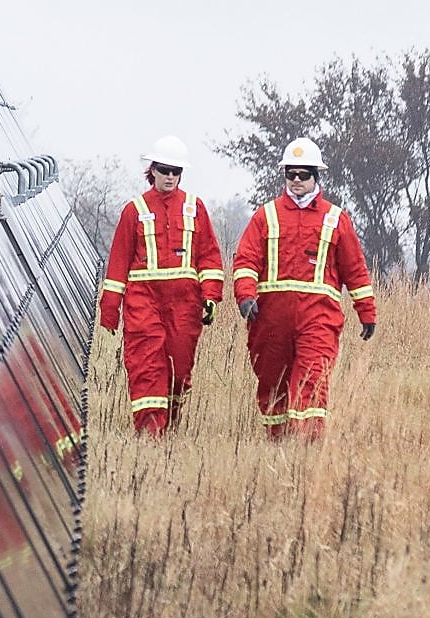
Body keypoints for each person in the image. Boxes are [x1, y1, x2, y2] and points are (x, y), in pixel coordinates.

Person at [231, 137, 377, 440]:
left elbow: (355, 270)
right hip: (270, 319)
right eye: (291, 174)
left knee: (312, 378)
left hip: (318, 318)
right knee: (272, 381)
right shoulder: (265, 216)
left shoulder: (336, 219)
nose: (297, 180)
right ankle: (279, 443)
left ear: (316, 177)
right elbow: (245, 259)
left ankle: (307, 444)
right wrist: (245, 296)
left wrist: (367, 312)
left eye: (304, 175)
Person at [98, 135, 225, 435]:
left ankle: (168, 421)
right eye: (165, 169)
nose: (170, 176)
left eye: (176, 171)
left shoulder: (196, 208)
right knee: (146, 365)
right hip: (144, 303)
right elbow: (118, 264)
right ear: (152, 169)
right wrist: (109, 310)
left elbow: (209, 256)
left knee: (179, 371)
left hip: (185, 306)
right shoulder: (134, 210)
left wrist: (211, 297)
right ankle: (149, 433)